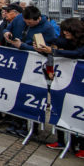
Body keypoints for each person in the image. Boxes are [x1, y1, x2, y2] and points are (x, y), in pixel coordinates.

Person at [35, 18, 84, 158]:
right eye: (64, 30)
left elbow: (78, 54)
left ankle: (80, 144)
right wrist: (46, 47)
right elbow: (56, 42)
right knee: (61, 107)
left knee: (78, 112)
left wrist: (54, 51)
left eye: (68, 31)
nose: (65, 33)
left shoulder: (81, 41)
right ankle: (61, 140)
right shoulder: (65, 38)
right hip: (64, 79)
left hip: (78, 81)